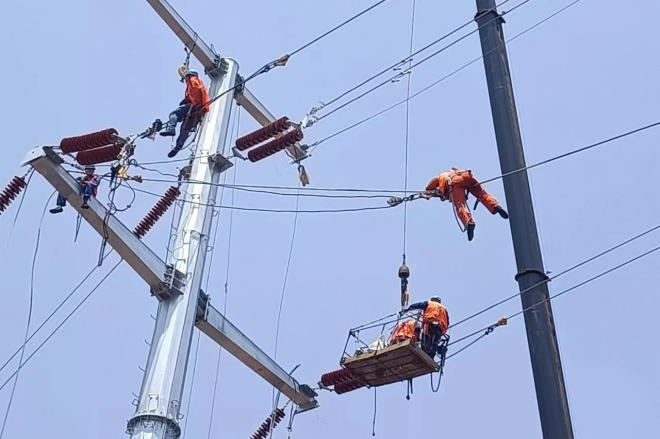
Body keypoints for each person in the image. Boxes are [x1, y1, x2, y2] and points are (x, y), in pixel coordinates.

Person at [421, 168, 509, 241]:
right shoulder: (454, 171)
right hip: (467, 176)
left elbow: (428, 188)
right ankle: (495, 206)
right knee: (483, 195)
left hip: (455, 181)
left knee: (460, 205)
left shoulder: (440, 177)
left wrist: (430, 194)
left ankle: (469, 222)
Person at [160, 69, 210, 158]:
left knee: (173, 114)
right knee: (185, 129)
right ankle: (178, 146)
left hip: (193, 105)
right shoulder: (196, 82)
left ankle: (171, 129)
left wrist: (193, 102)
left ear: (189, 76)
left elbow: (197, 92)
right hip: (198, 110)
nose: (186, 80)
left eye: (186, 78)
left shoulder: (193, 80)